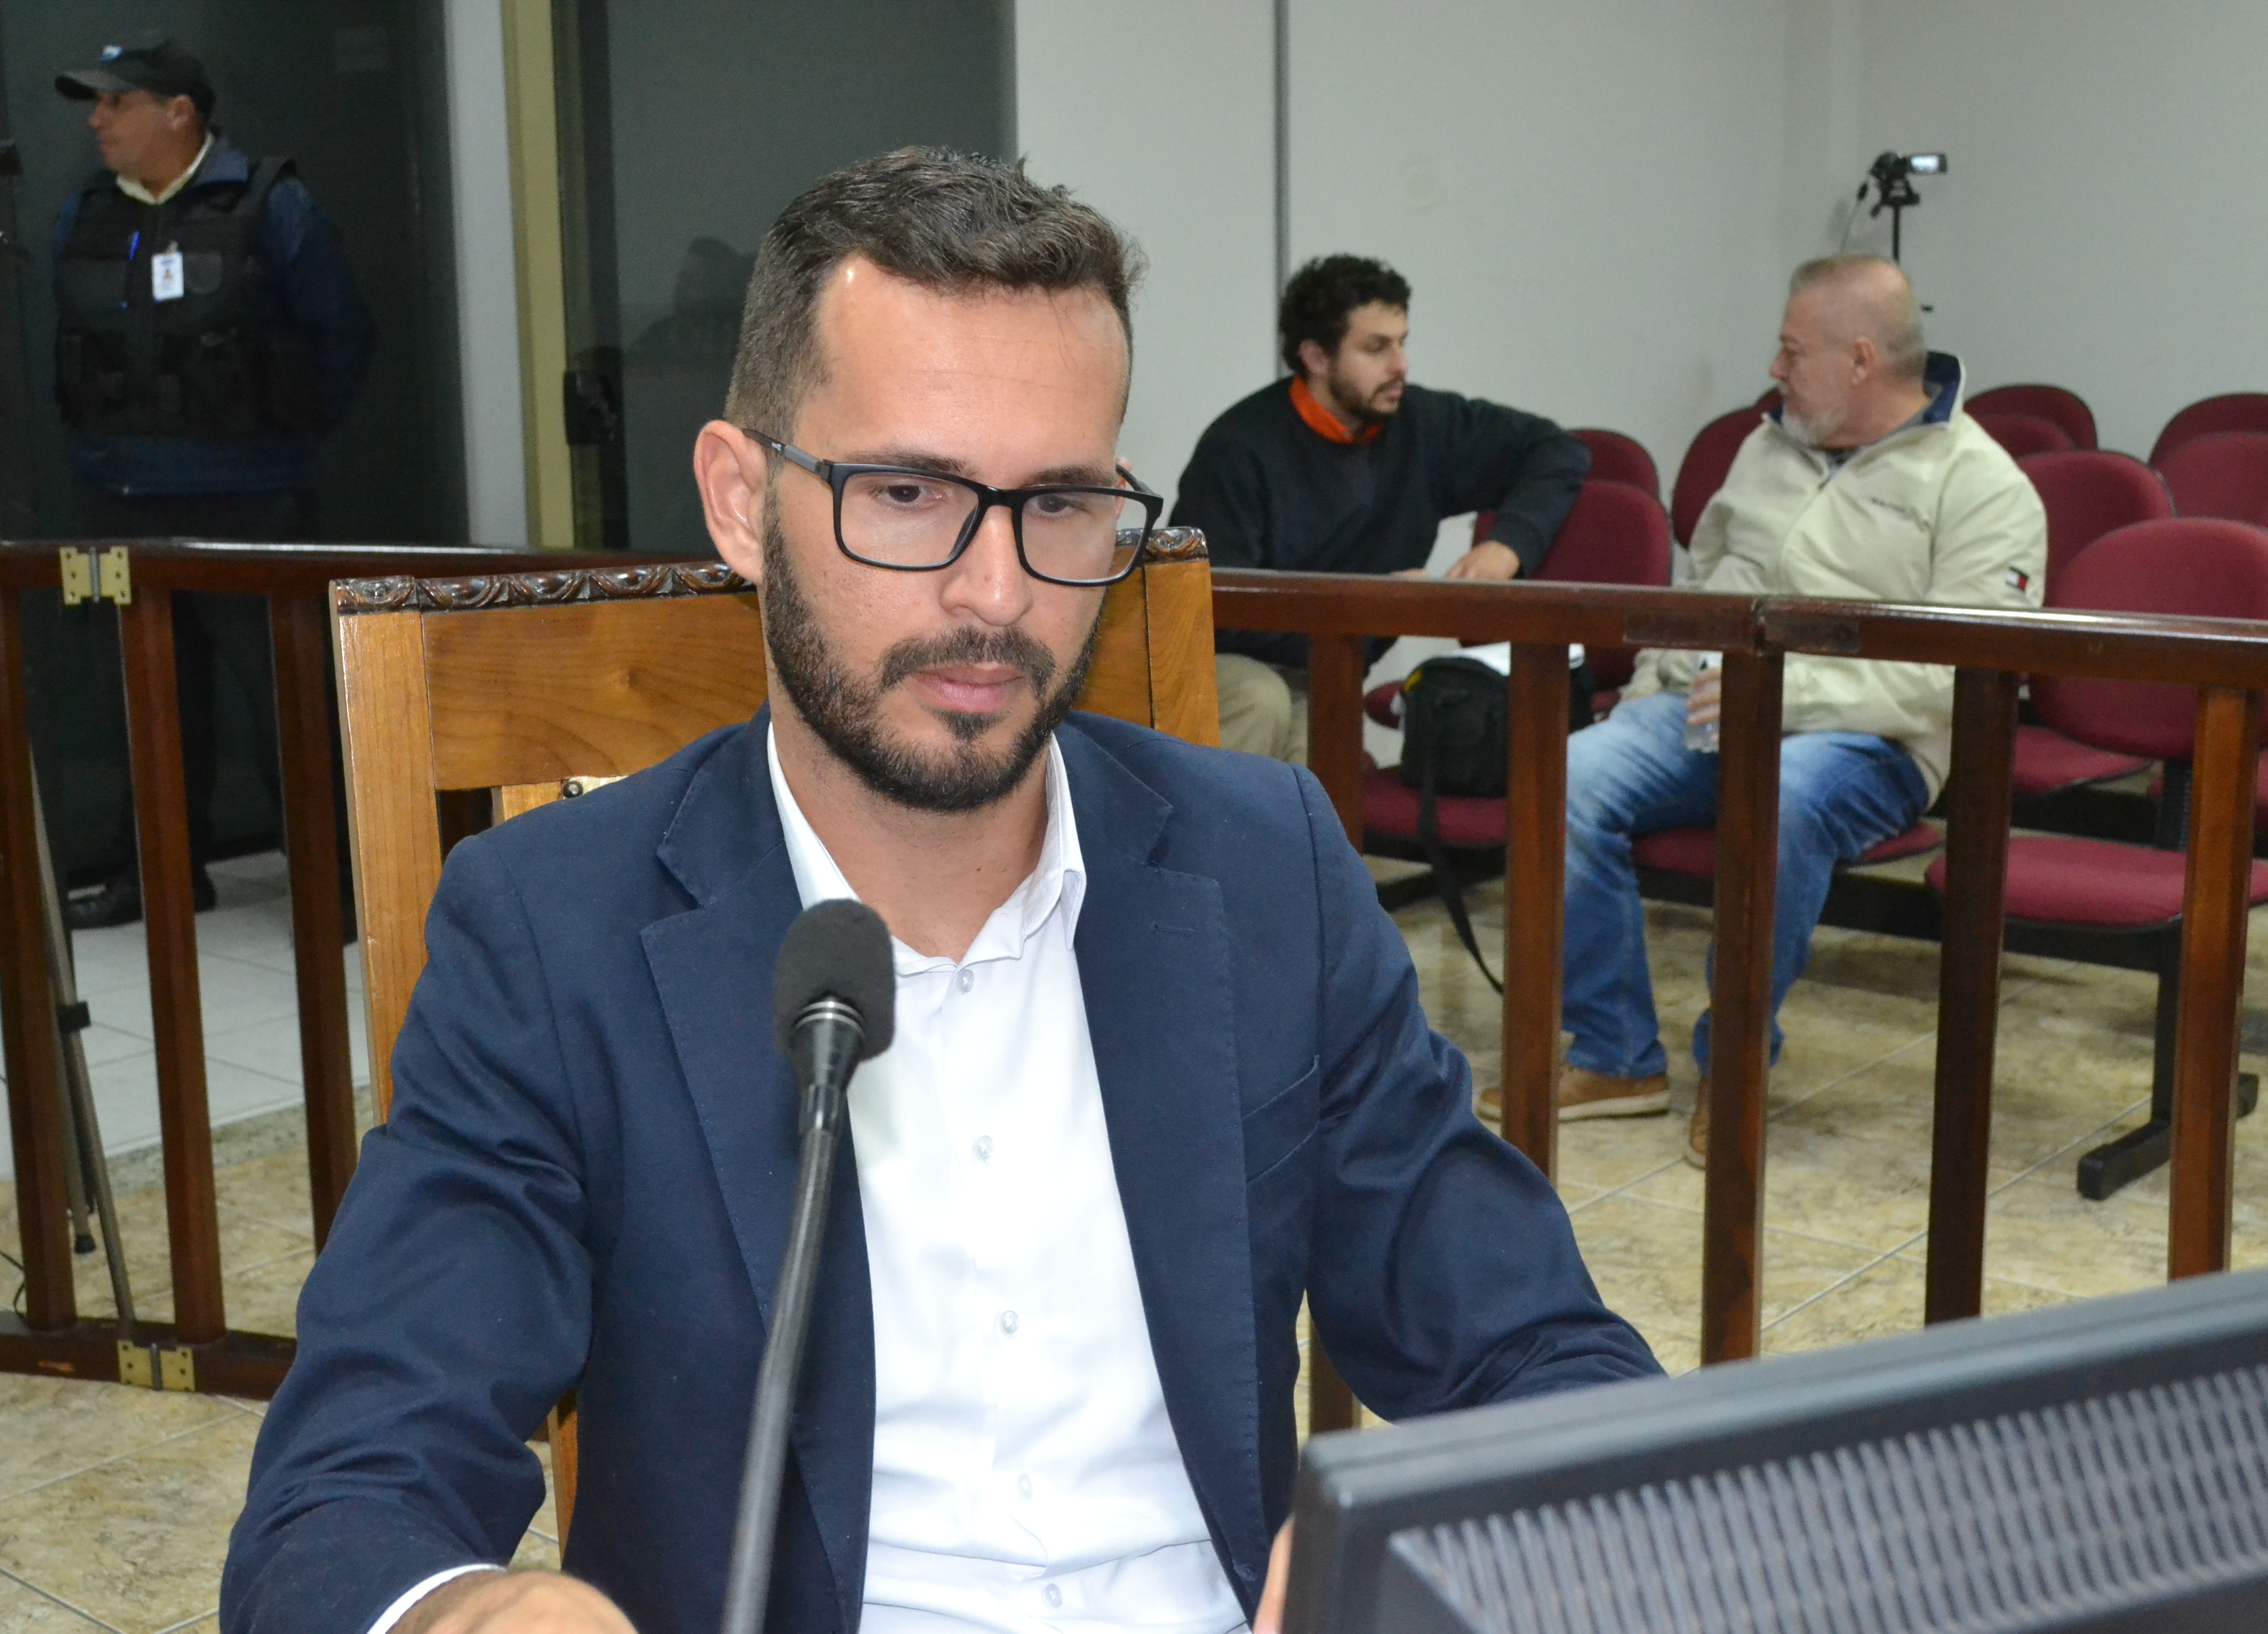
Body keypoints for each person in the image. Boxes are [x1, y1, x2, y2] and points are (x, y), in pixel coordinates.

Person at [222, 149, 1658, 1634]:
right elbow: (346, 1499)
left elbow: (1546, 1357)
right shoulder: (551, 928)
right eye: (906, 493)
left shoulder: (1264, 867)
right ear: (739, 502)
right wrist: (469, 1615)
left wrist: (1483, 1535)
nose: (996, 593)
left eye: (1063, 503)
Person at [1510, 254, 2045, 1164]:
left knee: (1781, 795)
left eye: (1793, 351)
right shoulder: (1767, 446)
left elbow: (1967, 669)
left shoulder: (1983, 486)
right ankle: (1614, 1057)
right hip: (1710, 705)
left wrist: (1788, 691)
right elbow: (1704, 588)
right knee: (1565, 774)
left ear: (1861, 360)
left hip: (1867, 742)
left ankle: (1736, 1068)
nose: (1774, 368)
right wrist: (1644, 694)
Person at [50, 33, 375, 928]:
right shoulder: (85, 213)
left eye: (117, 101)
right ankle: (157, 875)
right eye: (96, 103)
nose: (97, 120)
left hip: (250, 499)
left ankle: (330, 880)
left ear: (179, 111)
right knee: (144, 706)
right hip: (119, 502)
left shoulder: (272, 204)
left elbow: (343, 337)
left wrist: (279, 442)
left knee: (288, 701)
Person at [1171, 255, 1590, 762]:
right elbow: (1212, 607)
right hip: (1227, 667)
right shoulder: (1239, 447)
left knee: (1319, 753)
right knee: (1263, 701)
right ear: (1316, 357)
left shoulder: (1425, 425)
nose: (1401, 365)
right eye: (1376, 348)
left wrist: (1508, 545)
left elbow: (1557, 450)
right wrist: (1368, 606)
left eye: (1402, 342)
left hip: (1328, 672)